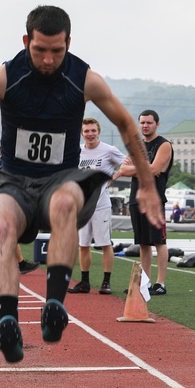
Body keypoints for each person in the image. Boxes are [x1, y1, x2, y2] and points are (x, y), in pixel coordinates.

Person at [0, 5, 163, 363]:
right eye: (40, 50)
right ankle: (7, 319)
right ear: (26, 42)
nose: (49, 59)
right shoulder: (5, 77)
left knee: (65, 205)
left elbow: (127, 125)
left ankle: (54, 304)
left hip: (60, 179)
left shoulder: (85, 79)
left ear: (69, 43)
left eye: (57, 50)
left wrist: (146, 185)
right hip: (11, 179)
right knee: (2, 225)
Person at [68, 117, 125, 295]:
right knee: (83, 245)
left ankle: (106, 282)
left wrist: (113, 177)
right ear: (82, 133)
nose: (90, 134)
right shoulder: (76, 152)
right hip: (82, 207)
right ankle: (84, 282)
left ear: (98, 131)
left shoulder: (109, 150)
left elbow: (129, 164)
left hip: (101, 205)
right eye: (86, 131)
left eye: (93, 130)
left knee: (105, 243)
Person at [118, 109, 172, 296]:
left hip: (154, 199)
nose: (145, 126)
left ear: (157, 123)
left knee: (159, 241)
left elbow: (156, 169)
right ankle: (145, 283)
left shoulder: (164, 145)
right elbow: (123, 170)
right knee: (143, 243)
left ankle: (161, 283)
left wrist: (134, 168)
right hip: (135, 198)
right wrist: (141, 168)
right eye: (142, 122)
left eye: (149, 122)